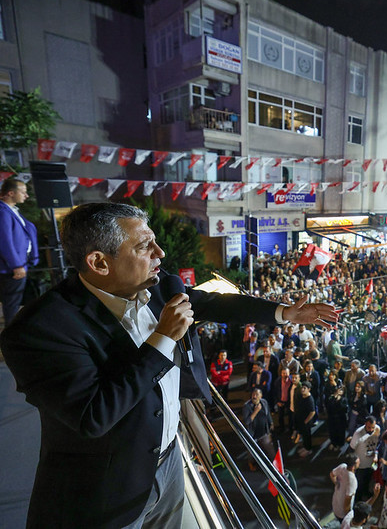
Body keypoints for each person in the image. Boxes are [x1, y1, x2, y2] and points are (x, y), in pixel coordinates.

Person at [0, 202, 339, 528]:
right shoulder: (39, 331)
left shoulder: (163, 285)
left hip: (169, 461)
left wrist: (285, 314)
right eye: (145, 246)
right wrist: (162, 339)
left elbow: (212, 303)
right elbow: (93, 416)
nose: (160, 253)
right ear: (99, 262)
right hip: (106, 489)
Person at [0, 178, 38, 323]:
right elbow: (4, 241)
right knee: (12, 303)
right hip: (11, 268)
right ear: (10, 193)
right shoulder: (3, 212)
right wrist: (16, 265)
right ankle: (11, 335)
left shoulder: (11, 210)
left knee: (14, 301)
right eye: (23, 192)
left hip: (21, 264)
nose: (26, 195)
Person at [349, 416, 381, 501]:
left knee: (368, 481)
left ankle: (366, 494)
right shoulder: (358, 433)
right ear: (365, 424)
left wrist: (376, 454)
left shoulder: (377, 429)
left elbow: (378, 444)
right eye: (369, 427)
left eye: (372, 428)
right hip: (361, 465)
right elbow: (351, 448)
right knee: (359, 484)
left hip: (371, 463)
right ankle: (358, 500)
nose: (371, 430)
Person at [242, 387, 274, 469]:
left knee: (270, 448)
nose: (254, 396)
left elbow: (268, 414)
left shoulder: (264, 402)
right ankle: (251, 463)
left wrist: (271, 423)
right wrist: (256, 411)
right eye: (253, 394)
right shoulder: (247, 406)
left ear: (261, 396)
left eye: (257, 394)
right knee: (251, 451)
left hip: (264, 431)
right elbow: (247, 421)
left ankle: (275, 463)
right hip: (253, 433)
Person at [330, 453, 359, 522]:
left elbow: (332, 474)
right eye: (358, 462)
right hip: (342, 513)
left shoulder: (342, 467)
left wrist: (337, 484)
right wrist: (349, 517)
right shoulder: (352, 481)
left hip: (335, 504)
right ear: (353, 467)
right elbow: (347, 503)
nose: (359, 463)